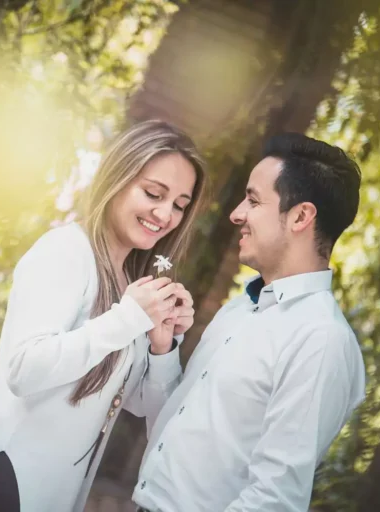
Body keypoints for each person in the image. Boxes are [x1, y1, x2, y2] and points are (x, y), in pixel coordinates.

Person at [0, 120, 206, 512]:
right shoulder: (65, 252)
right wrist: (127, 318)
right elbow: (24, 370)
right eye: (154, 193)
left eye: (179, 204)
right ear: (117, 178)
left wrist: (162, 345)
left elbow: (144, 407)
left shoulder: (129, 283)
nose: (165, 214)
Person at [132, 133, 366, 511]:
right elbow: (175, 427)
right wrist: (162, 350)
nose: (236, 213)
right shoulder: (241, 310)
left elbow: (275, 499)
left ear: (301, 216)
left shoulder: (321, 340)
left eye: (254, 200)